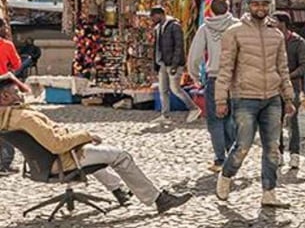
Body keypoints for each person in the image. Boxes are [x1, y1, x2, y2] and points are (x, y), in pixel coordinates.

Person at [0, 72, 191, 213]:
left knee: (98, 153)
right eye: (16, 92)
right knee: (121, 156)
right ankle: (158, 199)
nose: (21, 95)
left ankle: (118, 190)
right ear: (4, 97)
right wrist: (85, 135)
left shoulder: (7, 118)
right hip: (62, 160)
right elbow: (57, 144)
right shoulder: (25, 117)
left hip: (44, 163)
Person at [216, 0, 294, 208]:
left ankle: (269, 192)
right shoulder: (235, 33)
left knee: (272, 148)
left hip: (272, 97)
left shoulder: (276, 35)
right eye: (256, 5)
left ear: (269, 6)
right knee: (243, 145)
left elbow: (283, 68)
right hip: (244, 97)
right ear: (248, 7)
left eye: (264, 4)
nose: (260, 8)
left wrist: (288, 97)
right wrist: (221, 99)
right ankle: (226, 176)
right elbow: (225, 68)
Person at [187, 0, 240, 171]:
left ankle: (219, 159)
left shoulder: (205, 28)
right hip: (235, 77)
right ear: (228, 7)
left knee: (215, 120)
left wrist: (195, 76)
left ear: (210, 10)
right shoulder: (238, 26)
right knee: (231, 118)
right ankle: (234, 156)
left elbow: (195, 55)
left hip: (215, 77)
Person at [149, 6, 197, 124]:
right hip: (163, 63)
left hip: (173, 64)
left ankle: (194, 108)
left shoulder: (174, 26)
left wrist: (175, 64)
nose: (152, 20)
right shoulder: (159, 28)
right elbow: (157, 48)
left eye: (153, 17)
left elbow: (179, 47)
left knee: (175, 89)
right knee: (163, 90)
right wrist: (156, 64)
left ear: (160, 14)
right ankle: (165, 115)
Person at [281, 24, 305, 173]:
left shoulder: (298, 42)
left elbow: (304, 66)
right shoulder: (272, 40)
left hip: (293, 86)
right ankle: (278, 152)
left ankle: (294, 153)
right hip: (274, 86)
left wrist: (289, 76)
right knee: (275, 121)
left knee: (293, 121)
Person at [0, 20, 19, 175]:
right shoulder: (7, 45)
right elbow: (17, 64)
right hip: (3, 91)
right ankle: (4, 162)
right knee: (6, 125)